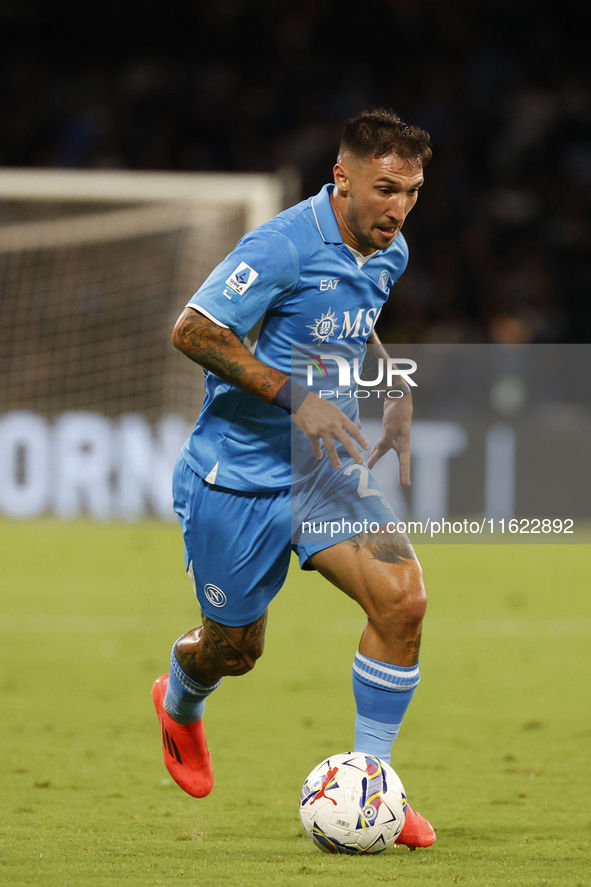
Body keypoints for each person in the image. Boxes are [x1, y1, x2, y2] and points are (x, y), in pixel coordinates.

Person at [152, 108, 436, 849]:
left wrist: (392, 388)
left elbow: (353, 319)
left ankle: (370, 786)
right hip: (237, 477)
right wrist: (296, 397)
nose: (397, 207)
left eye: (410, 190)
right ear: (341, 178)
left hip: (324, 476)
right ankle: (180, 697)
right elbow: (194, 329)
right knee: (235, 652)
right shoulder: (279, 244)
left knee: (402, 602)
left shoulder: (389, 250)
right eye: (384, 188)